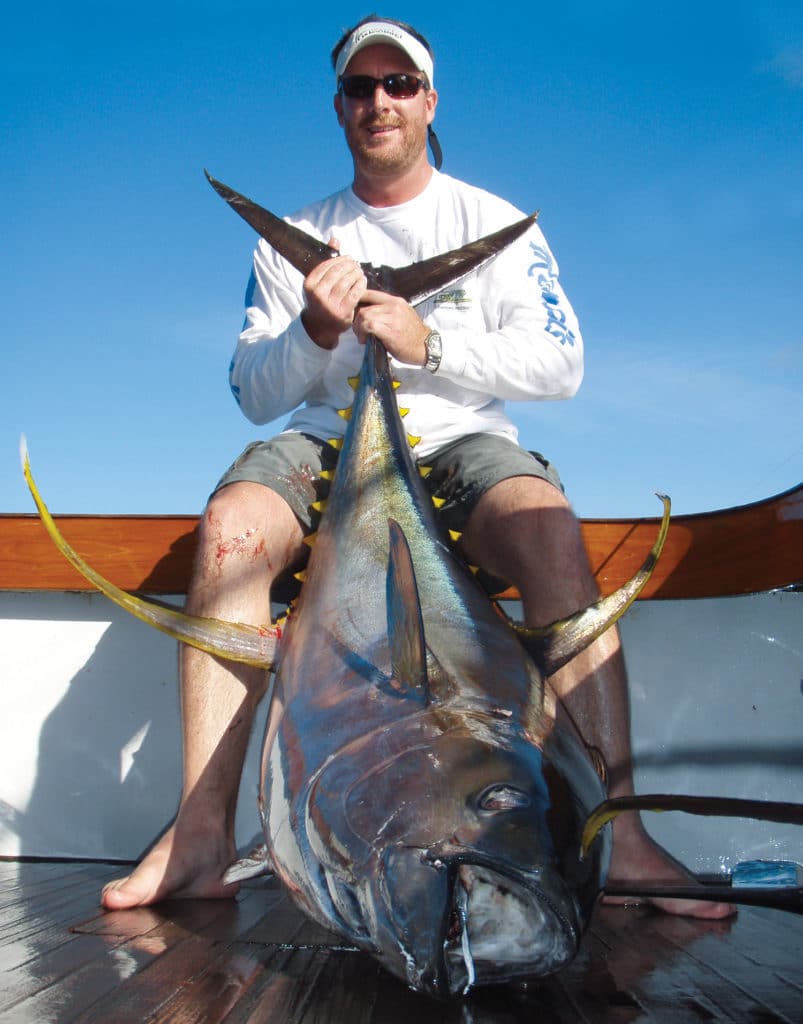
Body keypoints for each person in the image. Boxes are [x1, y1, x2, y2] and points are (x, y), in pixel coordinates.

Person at [102, 16, 733, 920]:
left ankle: (621, 836)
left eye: (399, 84)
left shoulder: (493, 222)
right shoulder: (292, 235)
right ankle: (202, 832)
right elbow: (250, 389)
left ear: (429, 101)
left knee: (548, 527)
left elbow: (561, 364)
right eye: (361, 88)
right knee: (232, 528)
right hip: (328, 436)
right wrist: (318, 330)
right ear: (339, 108)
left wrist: (425, 338)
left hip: (462, 437)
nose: (380, 101)